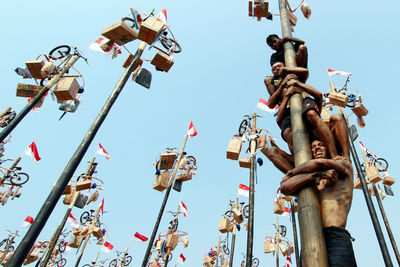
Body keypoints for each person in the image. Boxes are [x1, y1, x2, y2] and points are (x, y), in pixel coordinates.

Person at [280, 139, 357, 266]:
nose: (317, 148)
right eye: (313, 147)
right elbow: (284, 187)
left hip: (335, 236)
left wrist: (293, 172)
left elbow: (320, 163)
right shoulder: (314, 182)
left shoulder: (344, 165)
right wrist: (314, 175)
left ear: (328, 148)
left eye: (321, 145)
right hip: (311, 237)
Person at [264, 62, 338, 159]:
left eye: (279, 66)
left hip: (305, 103)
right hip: (288, 110)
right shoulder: (277, 85)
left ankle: (334, 154)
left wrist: (290, 74)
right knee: (287, 133)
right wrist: (284, 86)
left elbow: (305, 72)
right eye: (274, 68)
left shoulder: (295, 76)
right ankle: (299, 160)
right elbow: (271, 104)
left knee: (311, 114)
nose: (277, 68)